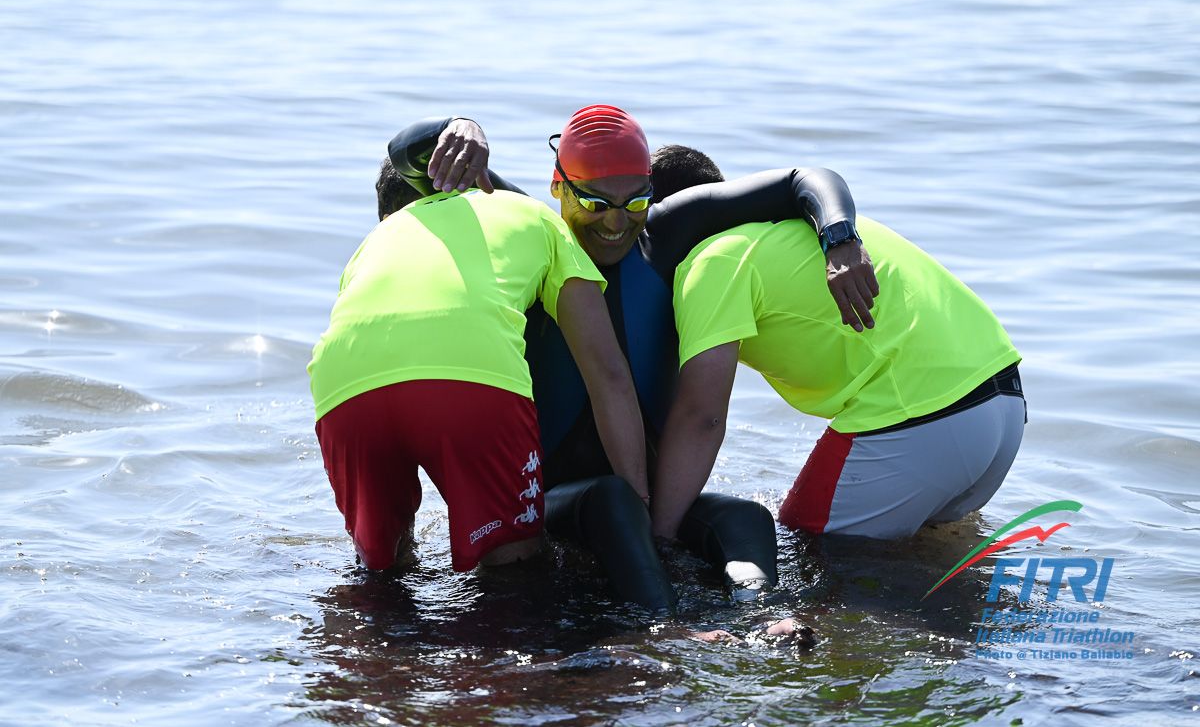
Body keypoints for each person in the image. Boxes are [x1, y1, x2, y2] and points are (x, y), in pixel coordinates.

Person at [385, 107, 879, 610]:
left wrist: (840, 238)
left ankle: (759, 613)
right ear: (559, 187)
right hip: (554, 505)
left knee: (744, 518)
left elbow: (804, 180)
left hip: (648, 508)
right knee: (610, 499)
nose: (616, 222)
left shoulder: (666, 235)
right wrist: (462, 128)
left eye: (636, 201)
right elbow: (408, 155)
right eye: (595, 203)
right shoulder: (526, 227)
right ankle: (661, 629)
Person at [647, 146, 1026, 542]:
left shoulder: (710, 262)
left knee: (808, 547)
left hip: (923, 419)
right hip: (1004, 406)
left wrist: (660, 536)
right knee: (925, 557)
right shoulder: (796, 226)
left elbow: (702, 417)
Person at [308, 158, 647, 574]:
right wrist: (641, 510)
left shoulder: (377, 238)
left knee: (381, 572)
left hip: (342, 387)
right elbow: (608, 374)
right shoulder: (534, 214)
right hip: (470, 381)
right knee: (513, 568)